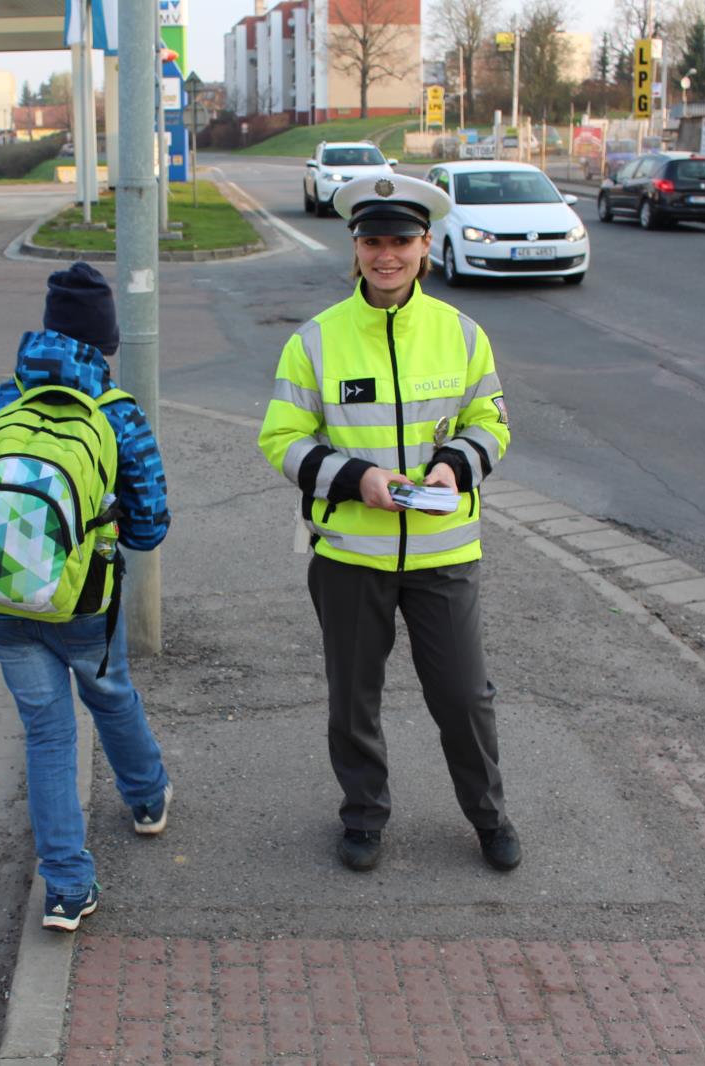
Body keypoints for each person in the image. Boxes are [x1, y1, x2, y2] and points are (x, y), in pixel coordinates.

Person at [257, 175, 522, 874]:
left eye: (401, 240)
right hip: (350, 555)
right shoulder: (315, 342)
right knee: (353, 703)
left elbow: (490, 422)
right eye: (373, 241)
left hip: (443, 552)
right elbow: (281, 439)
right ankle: (364, 817)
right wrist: (356, 479)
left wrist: (454, 466)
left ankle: (490, 817)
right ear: (355, 248)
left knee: (465, 699)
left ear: (425, 245)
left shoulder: (462, 335)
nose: (387, 255)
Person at [0, 262, 172, 931]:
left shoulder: (2, 400)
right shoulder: (117, 414)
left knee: (47, 734)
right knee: (110, 696)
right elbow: (151, 525)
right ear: (107, 342)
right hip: (84, 606)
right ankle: (147, 799)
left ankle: (68, 889)